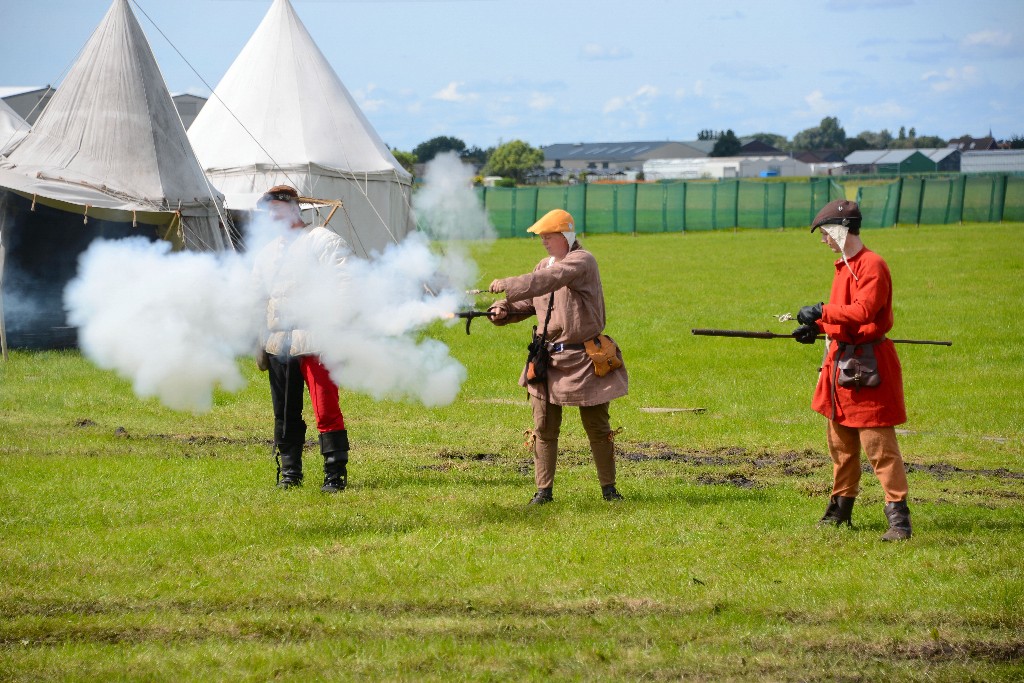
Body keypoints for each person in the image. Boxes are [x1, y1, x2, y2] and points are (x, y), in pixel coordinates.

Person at [488, 209, 628, 505]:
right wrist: (505, 308)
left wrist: (510, 284)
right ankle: (543, 492)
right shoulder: (543, 265)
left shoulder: (581, 260)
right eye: (542, 238)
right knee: (543, 428)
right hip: (546, 360)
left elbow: (552, 279)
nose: (544, 242)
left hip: (585, 360)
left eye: (548, 237)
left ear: (565, 236)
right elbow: (532, 301)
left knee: (598, 427)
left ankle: (609, 490)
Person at [793, 199, 912, 541]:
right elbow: (842, 317)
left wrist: (821, 311)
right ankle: (839, 512)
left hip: (869, 367)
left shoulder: (872, 265)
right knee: (841, 445)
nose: (823, 240)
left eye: (826, 234)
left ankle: (899, 522)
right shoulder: (843, 266)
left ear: (840, 231)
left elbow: (862, 311)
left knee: (880, 448)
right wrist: (815, 329)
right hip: (840, 366)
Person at [252, 185, 351, 493]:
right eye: (271, 214)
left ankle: (334, 475)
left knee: (325, 409)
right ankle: (290, 473)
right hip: (278, 343)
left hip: (316, 339)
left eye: (279, 211)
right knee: (284, 413)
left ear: (295, 209)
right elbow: (258, 300)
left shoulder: (322, 241)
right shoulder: (266, 254)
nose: (275, 218)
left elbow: (346, 284)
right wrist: (259, 342)